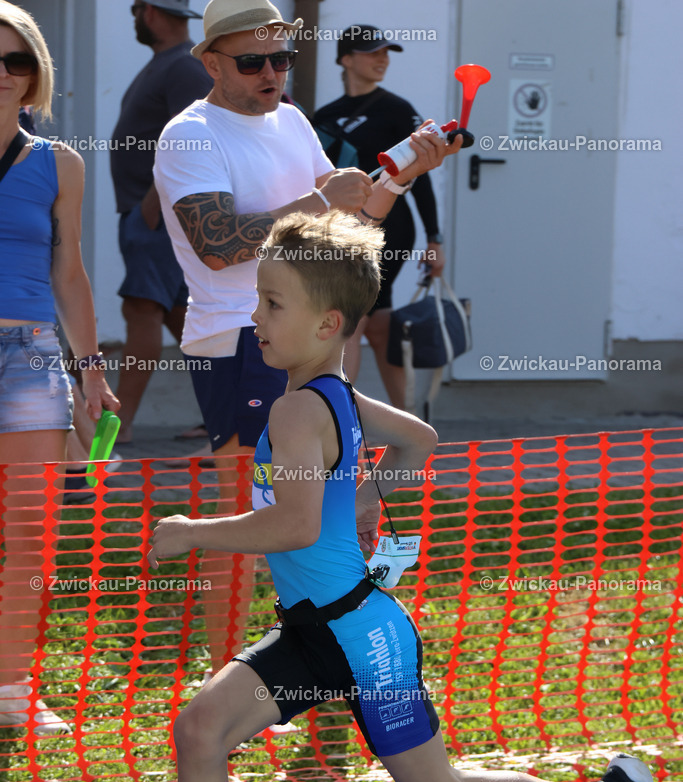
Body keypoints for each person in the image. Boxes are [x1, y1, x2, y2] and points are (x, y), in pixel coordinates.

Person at [99, 210, 675, 782]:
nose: (254, 317)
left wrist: (191, 533)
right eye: (257, 298)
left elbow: (296, 524)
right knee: (202, 730)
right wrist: (371, 492)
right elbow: (421, 442)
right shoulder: (333, 392)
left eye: (272, 304)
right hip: (326, 629)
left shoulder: (299, 407)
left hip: (359, 639)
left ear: (327, 321)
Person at [152, 0, 460, 675]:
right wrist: (323, 201)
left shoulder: (290, 119)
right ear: (210, 62)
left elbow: (346, 227)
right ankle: (226, 679)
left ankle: (333, 650)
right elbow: (215, 244)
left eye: (282, 59)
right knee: (250, 518)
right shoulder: (190, 133)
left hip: (318, 340)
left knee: (360, 486)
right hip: (243, 339)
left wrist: (398, 179)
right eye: (252, 61)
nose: (271, 73)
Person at [0, 1, 119, 733]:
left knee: (31, 534)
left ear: (35, 72)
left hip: (29, 357)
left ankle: (12, 689)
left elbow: (70, 274)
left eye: (17, 60)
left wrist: (93, 372)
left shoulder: (60, 163)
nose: (5, 75)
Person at [313, 25, 446, 406]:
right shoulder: (323, 116)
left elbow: (419, 180)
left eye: (387, 52)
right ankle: (404, 422)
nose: (382, 58)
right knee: (382, 326)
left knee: (351, 322)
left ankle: (338, 421)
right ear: (346, 59)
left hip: (390, 233)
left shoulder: (398, 110)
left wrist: (435, 240)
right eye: (372, 52)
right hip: (339, 232)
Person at [111, 0, 212, 444]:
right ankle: (228, 413)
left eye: (135, 9)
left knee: (140, 309)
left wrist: (153, 206)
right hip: (147, 215)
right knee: (184, 321)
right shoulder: (168, 64)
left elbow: (192, 139)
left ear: (149, 11)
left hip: (156, 217)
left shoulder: (183, 68)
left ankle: (118, 425)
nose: (134, 17)